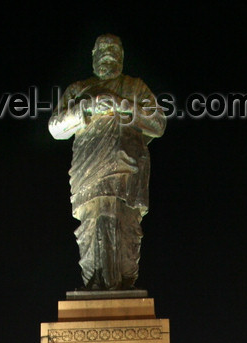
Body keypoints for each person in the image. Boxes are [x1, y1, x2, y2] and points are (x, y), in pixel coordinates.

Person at [48, 34, 166, 290]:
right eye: (103, 48)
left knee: (127, 227)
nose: (109, 52)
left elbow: (157, 124)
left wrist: (123, 106)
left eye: (114, 48)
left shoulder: (135, 87)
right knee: (94, 223)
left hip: (127, 172)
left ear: (122, 55)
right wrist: (87, 109)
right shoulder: (79, 90)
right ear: (93, 55)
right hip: (90, 171)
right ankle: (96, 286)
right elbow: (55, 128)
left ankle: (123, 284)